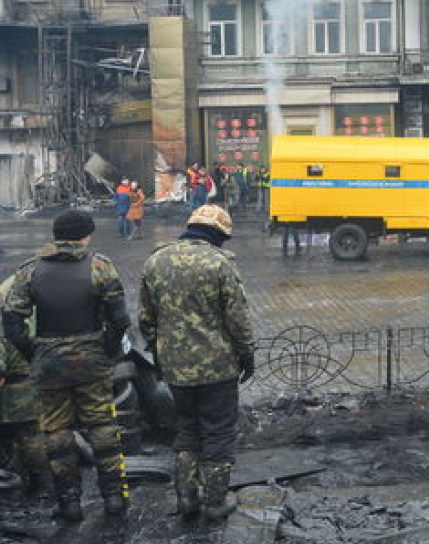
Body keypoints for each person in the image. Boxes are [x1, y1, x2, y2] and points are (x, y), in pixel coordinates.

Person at [1, 210, 130, 523]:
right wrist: (107, 353)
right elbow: (120, 319)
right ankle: (114, 497)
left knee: (57, 431)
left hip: (49, 363)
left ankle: (69, 503)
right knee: (101, 426)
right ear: (85, 235)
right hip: (91, 361)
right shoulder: (100, 266)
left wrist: (35, 352)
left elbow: (11, 320)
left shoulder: (30, 271)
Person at [139, 204, 254, 522]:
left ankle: (187, 498)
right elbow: (238, 320)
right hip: (217, 367)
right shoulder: (220, 263)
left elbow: (146, 320)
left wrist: (160, 354)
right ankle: (216, 501)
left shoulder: (155, 261)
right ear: (219, 234)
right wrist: (248, 355)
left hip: (175, 368)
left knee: (188, 429)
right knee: (218, 432)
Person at [0, 277, 49, 500]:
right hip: (38, 387)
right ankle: (43, 486)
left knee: (27, 442)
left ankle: (36, 487)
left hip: (14, 396)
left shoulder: (4, 327)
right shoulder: (35, 318)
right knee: (35, 439)